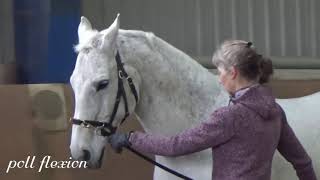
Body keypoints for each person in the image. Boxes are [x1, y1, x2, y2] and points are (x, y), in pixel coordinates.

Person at [108, 40, 317, 180]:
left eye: (221, 72)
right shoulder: (275, 111)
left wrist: (130, 139)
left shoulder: (230, 116)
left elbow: (176, 145)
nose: (219, 79)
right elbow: (302, 161)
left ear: (233, 73)